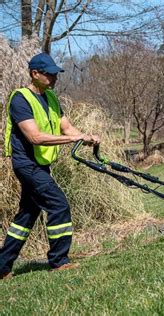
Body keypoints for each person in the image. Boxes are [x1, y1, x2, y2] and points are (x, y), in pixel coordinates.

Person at [0, 53, 100, 280]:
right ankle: (59, 260)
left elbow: (67, 128)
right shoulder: (20, 99)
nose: (55, 77)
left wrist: (86, 137)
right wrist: (72, 139)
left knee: (26, 216)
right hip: (26, 165)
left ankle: (2, 266)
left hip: (41, 166)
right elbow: (35, 137)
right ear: (35, 74)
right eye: (50, 74)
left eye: (55, 73)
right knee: (59, 205)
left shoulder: (51, 98)